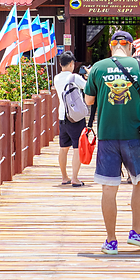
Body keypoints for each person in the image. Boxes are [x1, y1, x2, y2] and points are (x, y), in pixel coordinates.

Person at [83, 30, 140, 255]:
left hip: (107, 136)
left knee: (109, 188)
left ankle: (110, 241)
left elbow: (89, 100)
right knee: (139, 182)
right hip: (134, 135)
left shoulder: (97, 67)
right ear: (130, 46)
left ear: (110, 45)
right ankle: (136, 233)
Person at [53, 51, 87, 186]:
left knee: (63, 148)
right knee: (77, 148)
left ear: (61, 64)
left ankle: (64, 177)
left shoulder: (56, 78)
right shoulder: (74, 77)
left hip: (62, 116)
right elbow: (88, 87)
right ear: (72, 64)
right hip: (75, 117)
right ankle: (75, 178)